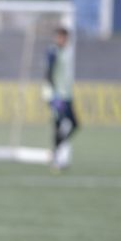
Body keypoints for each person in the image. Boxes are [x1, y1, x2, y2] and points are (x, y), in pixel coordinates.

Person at [43, 26, 79, 171]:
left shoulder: (68, 51)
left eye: (63, 37)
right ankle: (57, 156)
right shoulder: (53, 51)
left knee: (74, 124)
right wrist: (55, 93)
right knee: (60, 123)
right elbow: (48, 73)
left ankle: (56, 151)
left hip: (66, 95)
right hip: (56, 96)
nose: (61, 39)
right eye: (59, 37)